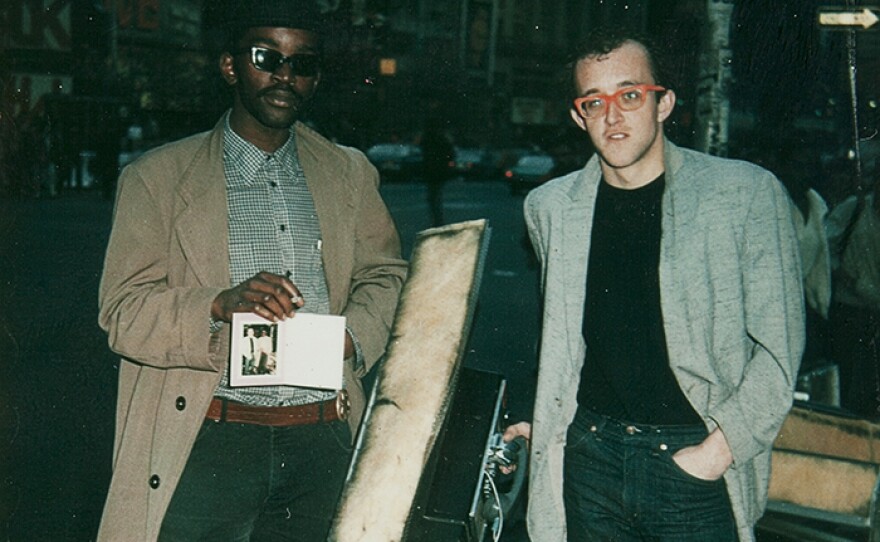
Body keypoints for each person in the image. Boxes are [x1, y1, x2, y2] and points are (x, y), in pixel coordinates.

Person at [96, 1, 407, 540]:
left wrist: (352, 337)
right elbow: (123, 312)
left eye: (302, 64)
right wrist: (217, 305)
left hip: (321, 440)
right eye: (267, 57)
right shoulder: (158, 177)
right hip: (209, 438)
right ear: (231, 66)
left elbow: (385, 276)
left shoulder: (349, 172)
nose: (284, 76)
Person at [504, 27, 805, 542]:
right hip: (589, 461)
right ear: (579, 116)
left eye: (630, 95)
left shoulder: (744, 194)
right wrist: (540, 416)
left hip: (692, 462)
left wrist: (716, 452)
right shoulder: (550, 208)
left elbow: (780, 351)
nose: (614, 116)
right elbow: (562, 337)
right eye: (594, 103)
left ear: (663, 104)